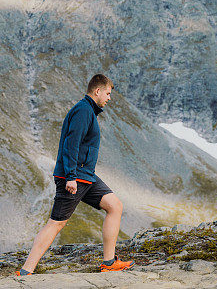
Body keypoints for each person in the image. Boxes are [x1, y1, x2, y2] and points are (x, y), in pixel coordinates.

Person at [15, 74, 133, 275]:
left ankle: (109, 262)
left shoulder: (88, 111)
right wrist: (70, 176)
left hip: (86, 176)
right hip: (74, 177)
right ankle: (26, 271)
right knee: (56, 223)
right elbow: (71, 144)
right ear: (97, 91)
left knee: (115, 206)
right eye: (107, 93)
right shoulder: (83, 111)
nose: (109, 98)